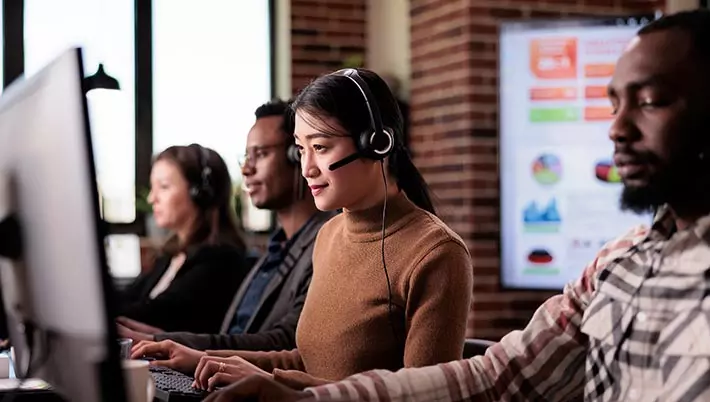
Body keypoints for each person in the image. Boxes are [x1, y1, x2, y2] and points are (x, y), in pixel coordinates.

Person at [204, 9, 710, 402]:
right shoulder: (616, 267)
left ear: (376, 143)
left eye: (650, 101)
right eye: (615, 104)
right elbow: (495, 378)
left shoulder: (433, 251)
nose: (615, 129)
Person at [189, 67, 474, 393]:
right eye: (300, 149)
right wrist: (201, 358)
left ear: (376, 143)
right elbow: (310, 362)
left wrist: (275, 384)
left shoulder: (437, 254)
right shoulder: (329, 235)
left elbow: (423, 398)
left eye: (321, 147)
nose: (306, 168)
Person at [121, 99, 334, 372]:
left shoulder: (325, 245)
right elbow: (233, 332)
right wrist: (154, 338)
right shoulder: (276, 251)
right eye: (246, 156)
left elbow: (286, 342)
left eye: (261, 154)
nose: (246, 169)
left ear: (298, 155)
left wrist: (161, 340)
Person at [116, 144, 248, 334]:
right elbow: (129, 297)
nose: (152, 198)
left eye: (163, 187)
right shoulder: (171, 256)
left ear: (199, 193)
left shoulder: (221, 260)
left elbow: (155, 313)